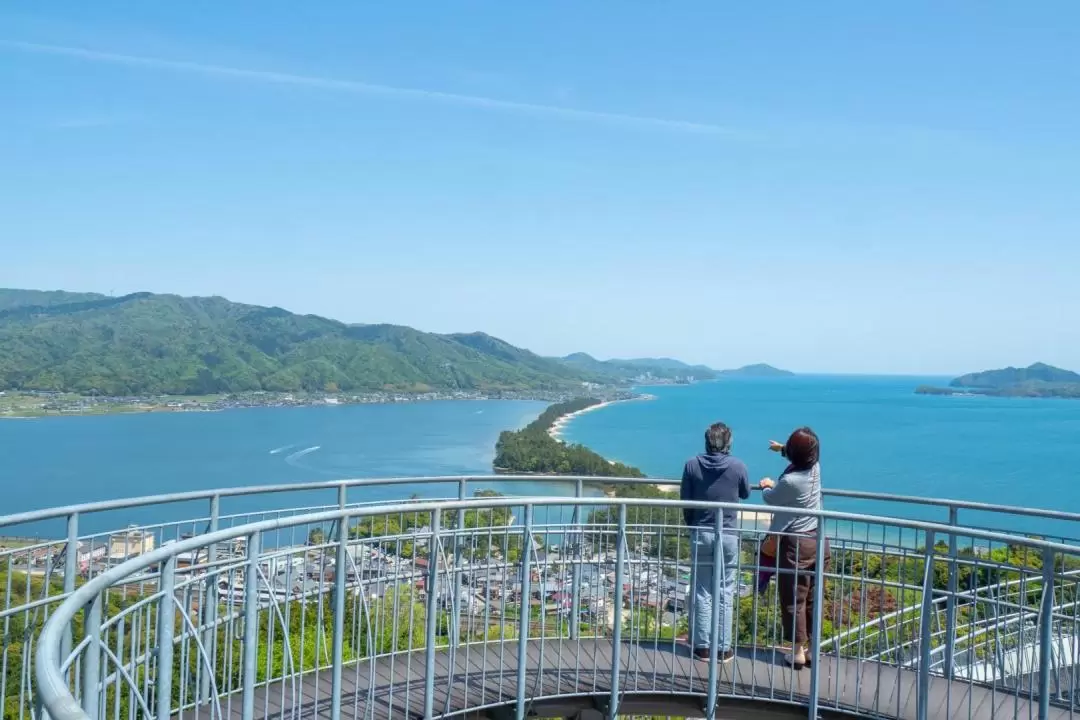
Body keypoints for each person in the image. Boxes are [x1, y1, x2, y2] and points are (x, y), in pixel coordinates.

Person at [758, 426, 828, 670]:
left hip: (796, 544)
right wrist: (782, 450)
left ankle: (796, 652)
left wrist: (766, 484)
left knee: (794, 598)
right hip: (819, 540)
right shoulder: (815, 470)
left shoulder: (790, 481)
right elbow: (802, 456)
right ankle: (811, 650)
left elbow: (770, 498)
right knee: (813, 596)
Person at [680, 421, 750, 662]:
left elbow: (686, 502)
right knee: (725, 590)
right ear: (728, 442)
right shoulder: (738, 465)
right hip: (729, 533)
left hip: (701, 532)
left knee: (702, 591)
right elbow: (745, 492)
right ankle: (724, 648)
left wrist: (692, 526)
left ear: (707, 441)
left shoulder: (691, 465)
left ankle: (702, 647)